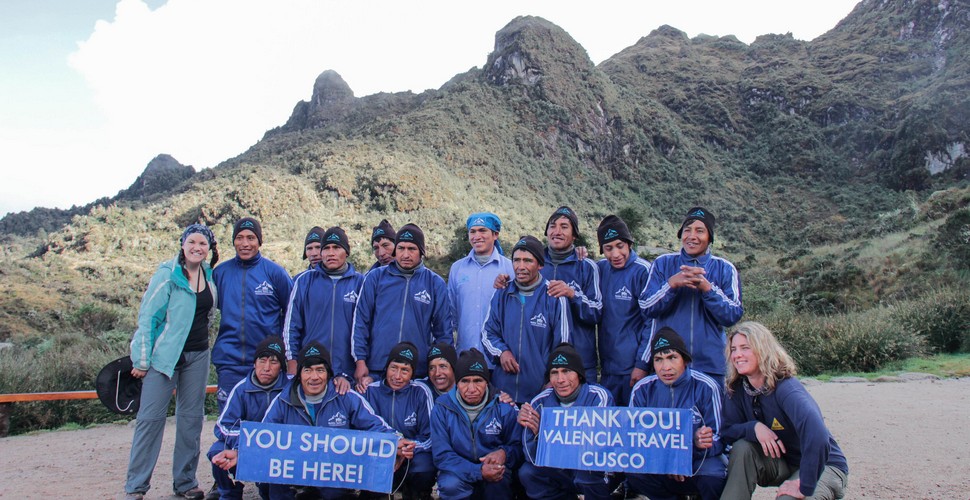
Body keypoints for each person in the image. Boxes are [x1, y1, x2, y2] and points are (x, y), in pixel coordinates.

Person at [124, 224, 219, 500]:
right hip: (164, 358)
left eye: (203, 243)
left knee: (191, 420)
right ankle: (136, 487)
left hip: (198, 356)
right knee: (150, 419)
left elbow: (206, 316)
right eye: (192, 242)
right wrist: (141, 360)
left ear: (209, 248)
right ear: (182, 244)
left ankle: (186, 482)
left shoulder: (208, 276)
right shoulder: (167, 274)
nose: (197, 247)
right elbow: (148, 318)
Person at [261, 341, 411, 500]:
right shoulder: (283, 400)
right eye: (308, 370)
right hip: (296, 469)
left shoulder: (344, 395)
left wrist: (396, 441)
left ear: (329, 373)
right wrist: (238, 450)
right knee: (270, 484)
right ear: (300, 374)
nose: (314, 377)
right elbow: (262, 437)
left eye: (320, 370)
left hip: (333, 471)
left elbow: (374, 424)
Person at [720, 322, 848, 500]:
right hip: (784, 463)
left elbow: (818, 434)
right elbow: (726, 431)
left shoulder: (786, 388)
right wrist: (753, 428)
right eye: (733, 349)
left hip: (824, 466)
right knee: (743, 448)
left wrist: (804, 484)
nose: (737, 354)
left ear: (763, 349)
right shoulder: (737, 388)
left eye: (745, 348)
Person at [639, 207, 743, 388]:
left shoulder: (725, 268)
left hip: (711, 366)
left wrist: (708, 289)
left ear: (710, 237)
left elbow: (732, 315)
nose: (692, 236)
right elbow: (647, 306)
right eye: (687, 230)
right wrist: (671, 285)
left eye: (700, 231)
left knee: (711, 415)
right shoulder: (663, 263)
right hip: (668, 366)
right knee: (671, 416)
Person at [627, 327, 727, 500]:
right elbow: (634, 439)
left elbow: (721, 437)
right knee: (634, 471)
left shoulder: (706, 386)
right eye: (658, 360)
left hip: (698, 459)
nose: (666, 367)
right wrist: (670, 459)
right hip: (660, 461)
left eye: (672, 357)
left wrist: (693, 445)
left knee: (713, 476)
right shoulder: (642, 389)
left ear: (685, 360)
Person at [352, 223, 452, 391]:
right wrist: (360, 361)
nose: (405, 254)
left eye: (411, 249)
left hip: (417, 372)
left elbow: (443, 332)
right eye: (401, 248)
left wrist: (442, 367)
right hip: (377, 367)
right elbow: (361, 322)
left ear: (421, 251)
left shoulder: (435, 283)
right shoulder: (375, 278)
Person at [212, 217, 293, 410]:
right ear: (233, 241)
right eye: (239, 238)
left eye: (250, 238)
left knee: (265, 421)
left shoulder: (275, 273)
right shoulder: (220, 273)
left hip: (267, 362)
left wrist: (286, 355)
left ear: (259, 241)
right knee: (230, 419)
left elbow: (292, 315)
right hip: (229, 361)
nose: (245, 243)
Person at [518, 342, 614, 500]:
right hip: (558, 468)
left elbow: (600, 446)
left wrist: (549, 433)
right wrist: (539, 437)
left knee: (587, 473)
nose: (560, 379)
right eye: (554, 372)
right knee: (527, 472)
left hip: (590, 467)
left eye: (567, 371)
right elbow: (530, 455)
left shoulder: (598, 397)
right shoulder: (539, 402)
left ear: (579, 374)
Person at [482, 235, 571, 403]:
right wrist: (502, 352)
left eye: (528, 261)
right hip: (503, 392)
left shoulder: (554, 296)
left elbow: (563, 345)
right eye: (516, 260)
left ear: (540, 265)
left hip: (540, 392)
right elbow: (487, 333)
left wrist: (553, 380)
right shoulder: (502, 293)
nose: (520, 266)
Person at [430, 349, 523, 499]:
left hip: (495, 471)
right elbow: (442, 455)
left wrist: (504, 453)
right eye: (465, 381)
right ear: (457, 383)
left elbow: (518, 446)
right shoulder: (442, 408)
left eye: (478, 381)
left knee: (500, 481)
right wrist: (478, 471)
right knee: (450, 485)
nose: (472, 389)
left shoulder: (504, 407)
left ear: (487, 382)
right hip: (458, 470)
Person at [207, 336, 288, 500]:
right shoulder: (241, 388)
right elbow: (223, 426)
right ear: (254, 363)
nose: (266, 367)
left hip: (277, 448)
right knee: (216, 451)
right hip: (243, 444)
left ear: (281, 367)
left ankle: (272, 489)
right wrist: (248, 442)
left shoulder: (290, 389)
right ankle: (229, 492)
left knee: (270, 494)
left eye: (273, 362)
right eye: (262, 360)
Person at [283, 226, 362, 391]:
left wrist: (361, 363)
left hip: (348, 371)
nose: (330, 253)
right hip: (312, 368)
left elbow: (366, 328)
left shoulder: (360, 283)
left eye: (336, 247)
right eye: (326, 248)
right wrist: (292, 361)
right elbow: (291, 326)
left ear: (346, 252)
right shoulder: (304, 282)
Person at [363, 342, 436, 500]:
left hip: (411, 453)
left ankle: (417, 494)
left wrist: (405, 449)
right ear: (386, 368)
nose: (397, 376)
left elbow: (429, 437)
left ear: (412, 373)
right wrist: (391, 449)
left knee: (424, 467)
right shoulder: (370, 391)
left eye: (405, 370)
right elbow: (362, 432)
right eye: (393, 368)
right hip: (379, 452)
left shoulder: (421, 392)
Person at [595, 214, 652, 405]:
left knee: (634, 424)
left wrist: (642, 364)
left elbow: (652, 321)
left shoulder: (643, 270)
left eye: (620, 246)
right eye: (608, 248)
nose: (615, 254)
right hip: (608, 368)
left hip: (633, 369)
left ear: (629, 244)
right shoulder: (600, 269)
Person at [448, 212, 513, 368]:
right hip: (464, 357)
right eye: (473, 231)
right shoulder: (457, 268)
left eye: (482, 230)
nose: (477, 236)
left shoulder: (509, 268)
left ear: (495, 234)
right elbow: (451, 313)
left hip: (498, 360)